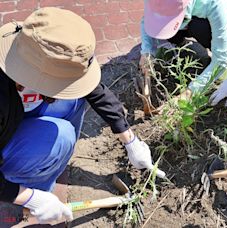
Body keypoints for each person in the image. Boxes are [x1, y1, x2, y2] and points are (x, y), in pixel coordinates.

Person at [0, 8, 165, 224]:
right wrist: (27, 196)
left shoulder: (43, 50)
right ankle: (25, 197)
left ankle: (46, 169)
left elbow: (96, 91)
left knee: (74, 99)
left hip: (17, 118)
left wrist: (130, 140)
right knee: (62, 137)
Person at [139, 0, 227, 94]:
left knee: (200, 28)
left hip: (210, 23)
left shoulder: (214, 4)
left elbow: (221, 59)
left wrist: (190, 92)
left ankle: (215, 71)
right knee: (167, 33)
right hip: (185, 20)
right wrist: (147, 52)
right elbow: (147, 20)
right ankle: (177, 41)